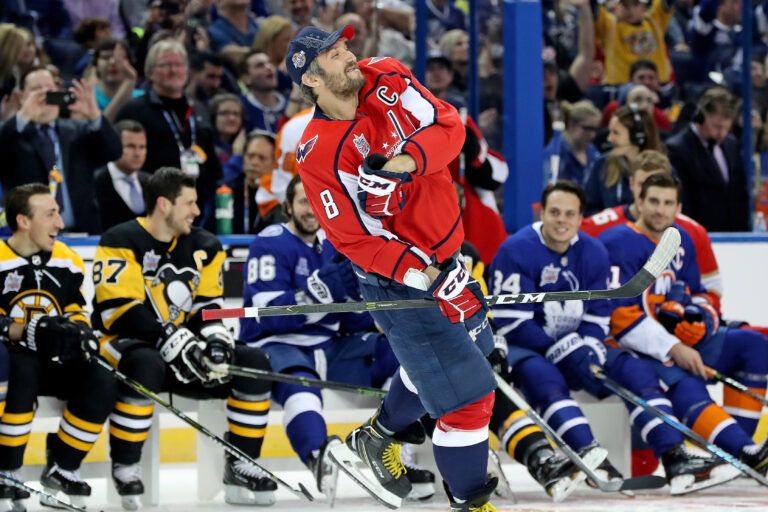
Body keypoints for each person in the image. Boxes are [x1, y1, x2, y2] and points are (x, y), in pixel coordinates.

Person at [286, 25, 499, 511]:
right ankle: (472, 501)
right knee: (469, 396)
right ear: (313, 81)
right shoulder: (318, 152)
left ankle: (378, 437)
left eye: (345, 48)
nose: (351, 58)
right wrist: (424, 278)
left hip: (447, 255)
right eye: (336, 56)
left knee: (468, 356)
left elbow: (450, 128)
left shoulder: (389, 77)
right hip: (399, 280)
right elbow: (354, 239)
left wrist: (403, 164)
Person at [489, 180, 735, 495]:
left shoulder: (592, 251)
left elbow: (598, 313)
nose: (561, 220)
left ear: (580, 218)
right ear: (542, 213)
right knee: (542, 376)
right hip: (528, 347)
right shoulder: (517, 249)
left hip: (579, 342)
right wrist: (556, 348)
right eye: (555, 212)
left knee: (636, 371)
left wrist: (589, 344)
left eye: (569, 214)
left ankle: (675, 458)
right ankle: (587, 452)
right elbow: (512, 320)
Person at [240, 174, 432, 501]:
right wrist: (315, 292)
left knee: (399, 356)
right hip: (281, 346)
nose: (310, 209)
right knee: (301, 383)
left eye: (314, 201)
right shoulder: (270, 242)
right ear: (287, 206)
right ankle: (318, 455)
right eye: (302, 201)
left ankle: (392, 455)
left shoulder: (333, 245)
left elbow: (346, 318)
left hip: (330, 348)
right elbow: (265, 315)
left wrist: (364, 307)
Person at [92, 168, 276, 508]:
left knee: (251, 362)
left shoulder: (205, 244)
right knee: (145, 365)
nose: (196, 210)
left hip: (185, 352)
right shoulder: (120, 239)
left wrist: (217, 342)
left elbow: (208, 308)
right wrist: (170, 337)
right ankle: (126, 465)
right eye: (189, 203)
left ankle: (240, 463)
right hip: (127, 345)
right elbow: (117, 310)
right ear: (163, 204)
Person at [600, 173, 768, 472]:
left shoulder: (681, 238)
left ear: (678, 207)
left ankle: (743, 451)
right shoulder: (618, 243)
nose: (659, 210)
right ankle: (742, 451)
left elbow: (701, 292)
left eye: (667, 203)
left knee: (754, 346)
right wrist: (674, 347)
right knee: (683, 380)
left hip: (674, 338)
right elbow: (619, 316)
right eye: (653, 201)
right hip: (635, 344)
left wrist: (700, 319)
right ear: (638, 201)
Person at [0, 183, 112, 508]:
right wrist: (26, 330)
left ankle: (63, 465)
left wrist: (79, 331)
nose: (60, 224)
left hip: (53, 359)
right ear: (23, 220)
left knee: (101, 377)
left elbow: (76, 306)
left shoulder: (67, 258)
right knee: (21, 373)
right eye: (50, 214)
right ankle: (8, 470)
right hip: (13, 360)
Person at [581, 150, 723, 312]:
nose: (651, 189)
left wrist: (699, 317)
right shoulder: (598, 226)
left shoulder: (692, 232)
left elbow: (712, 289)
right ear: (632, 183)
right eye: (644, 184)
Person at [0, 66, 122, 234]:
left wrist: (94, 114)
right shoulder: (13, 134)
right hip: (29, 235)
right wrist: (23, 116)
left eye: (50, 89)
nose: (44, 94)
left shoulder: (78, 130)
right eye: (36, 89)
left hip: (83, 232)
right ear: (21, 96)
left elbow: (114, 151)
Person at [665, 87, 749, 232]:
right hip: (700, 234)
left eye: (726, 128)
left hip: (734, 235)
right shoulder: (678, 149)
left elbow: (737, 192)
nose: (722, 133)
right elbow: (685, 201)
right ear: (701, 117)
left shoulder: (731, 143)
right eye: (717, 127)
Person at [583, 104, 661, 214]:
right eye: (610, 131)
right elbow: (588, 209)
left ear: (637, 137)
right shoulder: (602, 165)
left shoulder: (662, 170)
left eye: (616, 133)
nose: (609, 138)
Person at [593, 0, 674, 85]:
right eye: (624, 5)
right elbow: (594, 11)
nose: (630, 10)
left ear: (644, 7)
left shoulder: (654, 21)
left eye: (635, 4)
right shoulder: (610, 26)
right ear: (617, 6)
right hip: (621, 87)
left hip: (657, 84)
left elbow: (665, 4)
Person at [94, 119, 151, 231]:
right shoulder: (95, 183)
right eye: (130, 146)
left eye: (142, 147)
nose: (137, 153)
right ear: (114, 145)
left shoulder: (151, 182)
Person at [543, 100, 602, 186]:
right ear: (572, 125)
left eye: (595, 129)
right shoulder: (556, 151)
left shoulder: (593, 151)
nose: (593, 135)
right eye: (587, 128)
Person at [238, 50, 287, 134]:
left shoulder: (291, 103)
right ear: (246, 78)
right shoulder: (240, 107)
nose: (268, 67)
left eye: (269, 63)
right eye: (260, 65)